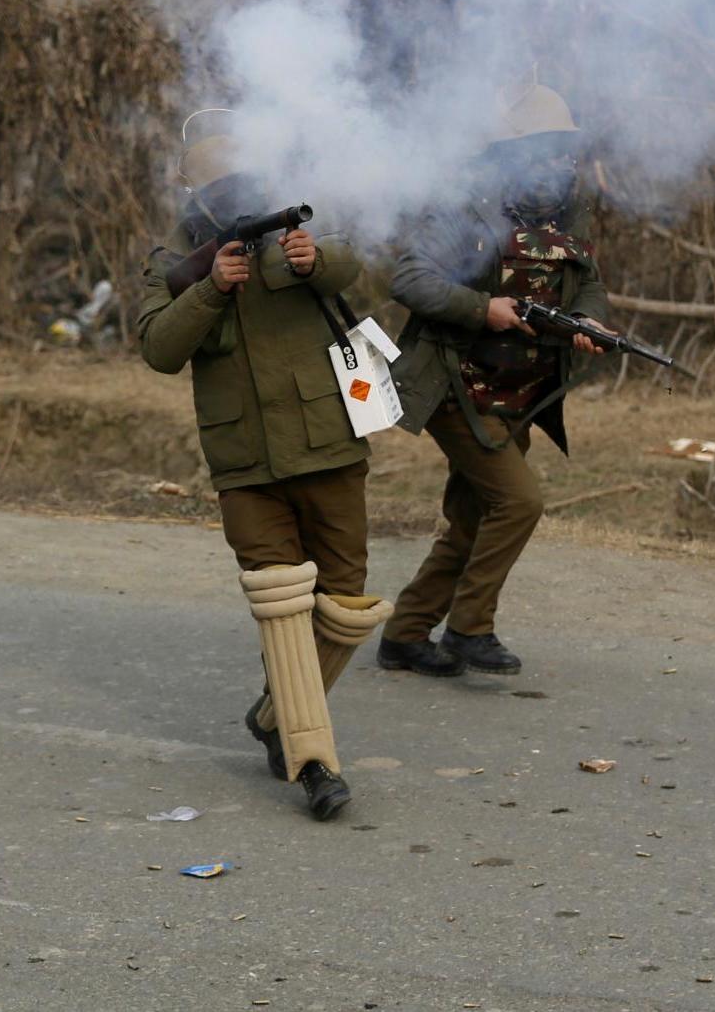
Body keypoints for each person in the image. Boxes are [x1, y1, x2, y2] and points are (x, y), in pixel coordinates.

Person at [135, 111, 389, 821]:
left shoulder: (295, 235)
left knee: (342, 603)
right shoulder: (171, 265)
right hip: (244, 463)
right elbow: (158, 346)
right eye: (215, 187)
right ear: (191, 195)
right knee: (282, 605)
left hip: (328, 446)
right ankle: (312, 761)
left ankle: (276, 711)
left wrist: (311, 259)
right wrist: (212, 285)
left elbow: (351, 263)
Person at [377, 83, 609, 680]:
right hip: (455, 385)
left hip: (523, 392)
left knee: (474, 520)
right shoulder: (464, 209)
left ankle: (405, 636)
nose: (558, 162)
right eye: (545, 148)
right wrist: (485, 310)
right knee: (518, 503)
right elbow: (410, 279)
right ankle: (469, 628)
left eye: (564, 149)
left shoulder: (569, 212)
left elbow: (587, 279)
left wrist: (587, 318)